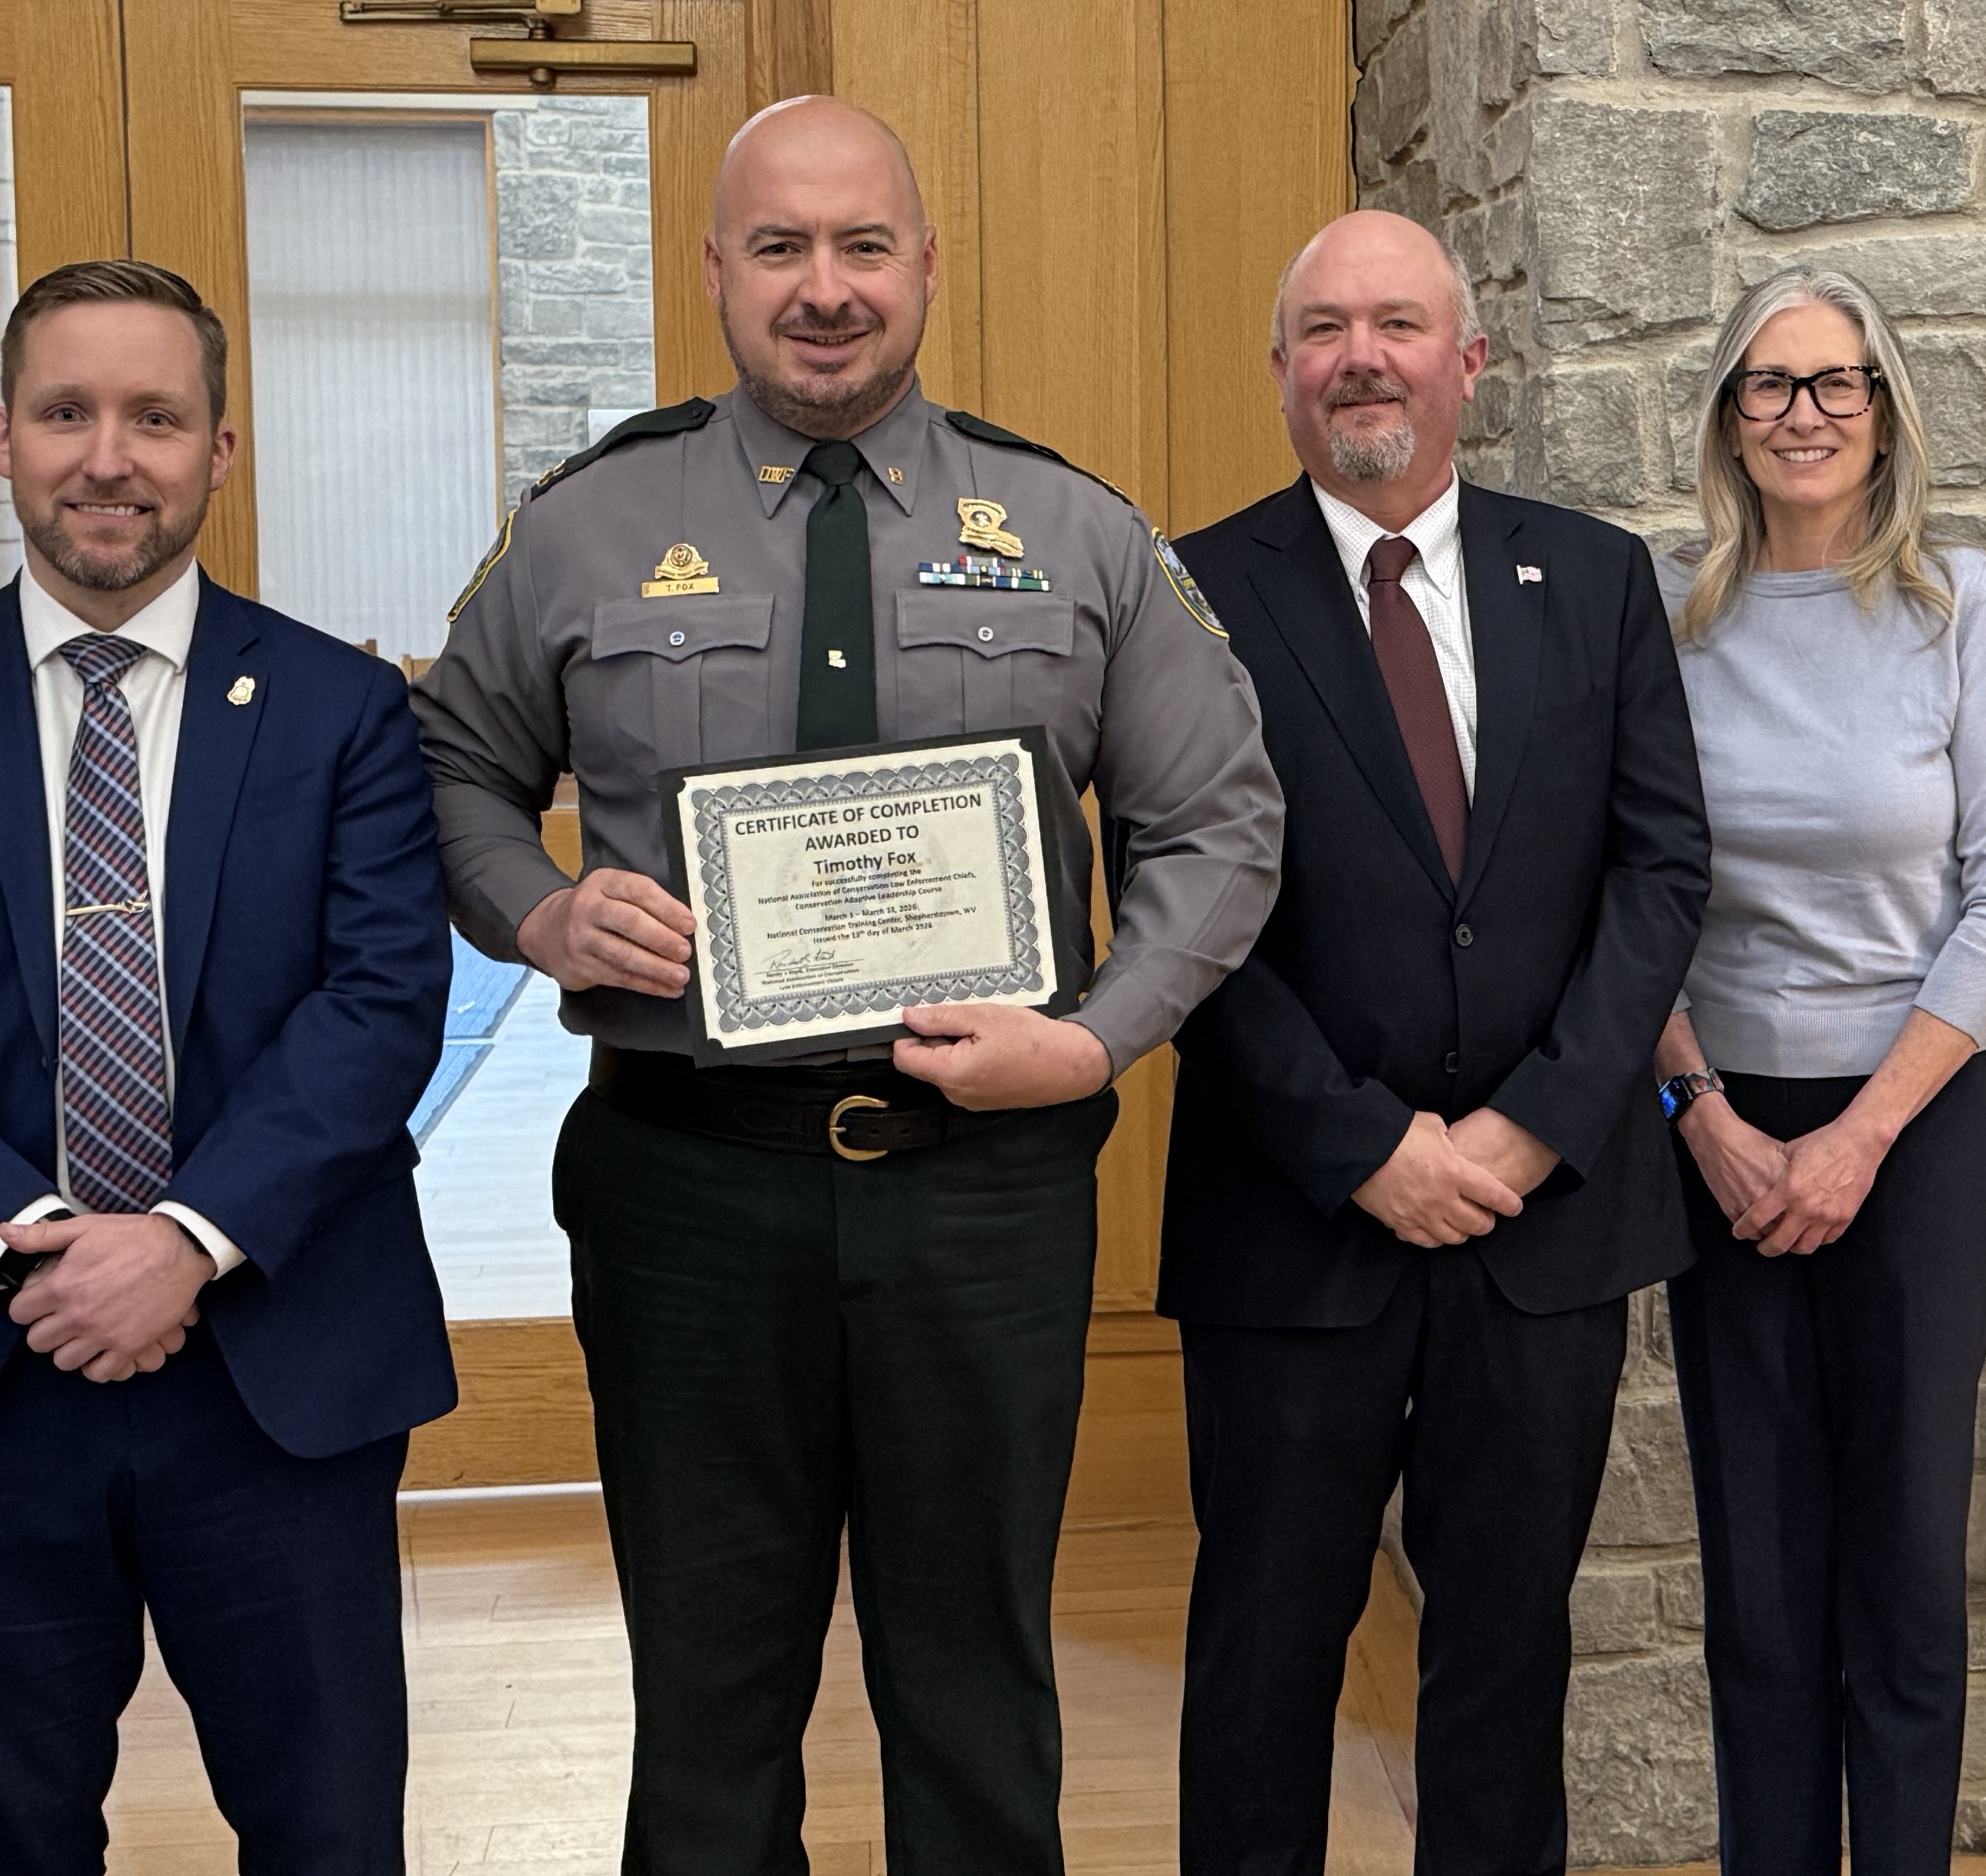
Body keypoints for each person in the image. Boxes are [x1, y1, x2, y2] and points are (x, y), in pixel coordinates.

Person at [413, 95, 1281, 1875]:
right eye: (784, 248)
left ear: (926, 269)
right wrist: (541, 919)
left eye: (862, 245)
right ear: (716, 269)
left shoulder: (1076, 530)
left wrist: (1100, 1037)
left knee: (973, 1692)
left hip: (983, 1199)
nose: (826, 289)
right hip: (688, 1192)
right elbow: (448, 770)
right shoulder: (586, 527)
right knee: (711, 1701)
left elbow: (1224, 825)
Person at [0, 260, 457, 1874]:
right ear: (0, 436)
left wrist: (182, 1242)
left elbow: (378, 1006)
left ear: (222, 449)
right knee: (2, 1840)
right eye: (66, 413)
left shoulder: (344, 711)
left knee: (330, 1829)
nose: (107, 457)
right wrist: (41, 1243)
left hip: (276, 1373)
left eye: (156, 416)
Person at [1156, 209, 1713, 1875]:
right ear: (1278, 375)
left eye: (1396, 323)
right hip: (1295, 1222)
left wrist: (1533, 1128)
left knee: (1504, 1653)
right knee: (1263, 1657)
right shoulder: (1190, 593)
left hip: (1542, 1230)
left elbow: (1660, 864)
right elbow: (1176, 899)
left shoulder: (1595, 575)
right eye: (1322, 329)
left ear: (1468, 363)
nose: (1359, 357)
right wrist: (1367, 1148)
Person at [1651, 267, 1986, 1876]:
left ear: (1884, 413)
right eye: (1768, 385)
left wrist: (1863, 1136)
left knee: (1898, 1554)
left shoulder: (1965, 605)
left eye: (1835, 383)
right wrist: (1704, 1117)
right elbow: (1629, 895)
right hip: (1720, 1135)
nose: (1801, 414)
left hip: (1921, 1129)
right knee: (1756, 1564)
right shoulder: (1665, 617)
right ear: (1726, 421)